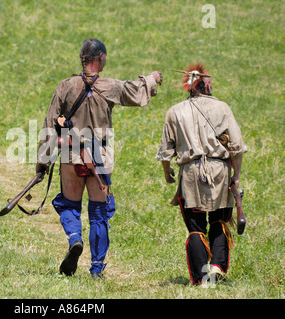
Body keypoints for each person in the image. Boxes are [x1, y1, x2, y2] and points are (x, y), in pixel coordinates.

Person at [37, 39, 162, 279]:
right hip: (100, 158)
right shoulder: (110, 86)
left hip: (70, 156)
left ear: (82, 58)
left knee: (68, 205)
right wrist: (152, 78)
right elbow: (135, 91)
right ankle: (96, 270)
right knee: (99, 214)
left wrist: (42, 163)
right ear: (101, 58)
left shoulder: (65, 86)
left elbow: (49, 125)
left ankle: (75, 239)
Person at [156, 64, 247, 285]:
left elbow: (166, 151)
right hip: (220, 172)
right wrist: (236, 175)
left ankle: (200, 279)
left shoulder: (175, 111)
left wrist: (167, 172)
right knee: (219, 220)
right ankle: (216, 267)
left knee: (195, 227)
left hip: (189, 174)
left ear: (189, 86)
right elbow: (236, 147)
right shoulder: (223, 108)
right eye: (210, 83)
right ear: (205, 85)